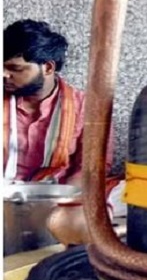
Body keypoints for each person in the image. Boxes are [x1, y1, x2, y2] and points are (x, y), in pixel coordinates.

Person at [3, 19, 113, 187]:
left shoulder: (88, 108)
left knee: (123, 194)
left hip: (57, 194)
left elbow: (92, 167)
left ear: (48, 68)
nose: (4, 75)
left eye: (15, 68)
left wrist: (63, 201)